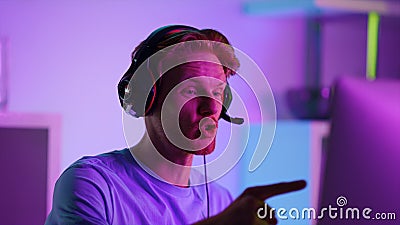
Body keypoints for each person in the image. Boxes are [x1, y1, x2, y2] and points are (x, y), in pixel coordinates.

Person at [45, 25, 306, 225]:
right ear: (147, 97)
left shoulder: (221, 203)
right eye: (190, 90)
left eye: (217, 93)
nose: (211, 108)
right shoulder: (92, 185)